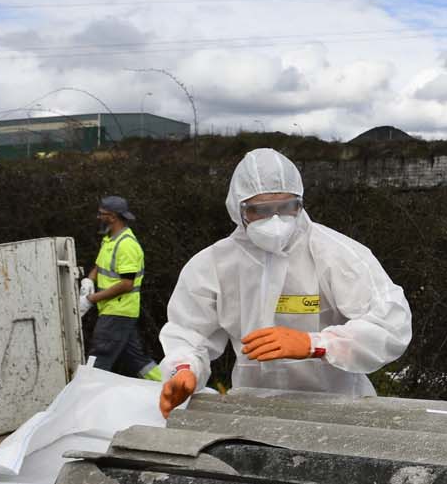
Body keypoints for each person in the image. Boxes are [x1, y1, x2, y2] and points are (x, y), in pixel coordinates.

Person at [157, 148, 412, 417]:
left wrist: (316, 344)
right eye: (260, 210)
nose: (275, 219)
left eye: (287, 207)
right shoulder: (213, 265)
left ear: (300, 203)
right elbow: (189, 332)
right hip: (253, 408)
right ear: (237, 209)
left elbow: (391, 325)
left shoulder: (337, 254)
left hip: (339, 410)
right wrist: (184, 370)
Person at [83, 195, 162, 381]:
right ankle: (169, 386)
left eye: (101, 214)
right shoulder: (109, 240)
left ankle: (86, 389)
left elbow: (127, 284)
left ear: (112, 217)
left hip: (118, 311)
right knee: (137, 360)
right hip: (115, 310)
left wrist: (91, 299)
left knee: (99, 356)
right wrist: (88, 281)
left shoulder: (126, 245)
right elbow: (99, 266)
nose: (98, 217)